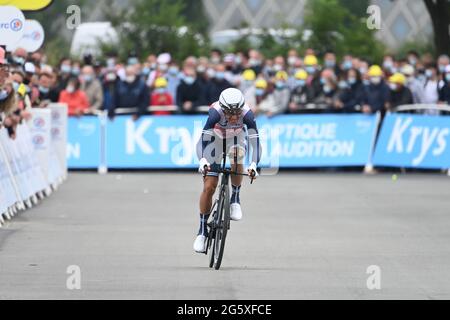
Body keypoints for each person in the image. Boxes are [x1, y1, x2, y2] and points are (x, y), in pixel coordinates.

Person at [193, 88, 261, 253]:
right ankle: (202, 231)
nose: (233, 116)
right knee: (209, 186)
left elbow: (255, 143)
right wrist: (202, 160)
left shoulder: (248, 115)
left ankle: (235, 199)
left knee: (238, 155)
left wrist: (253, 164)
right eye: (229, 113)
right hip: (214, 141)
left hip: (236, 139)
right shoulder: (215, 113)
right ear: (223, 109)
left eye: (236, 112)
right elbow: (202, 141)